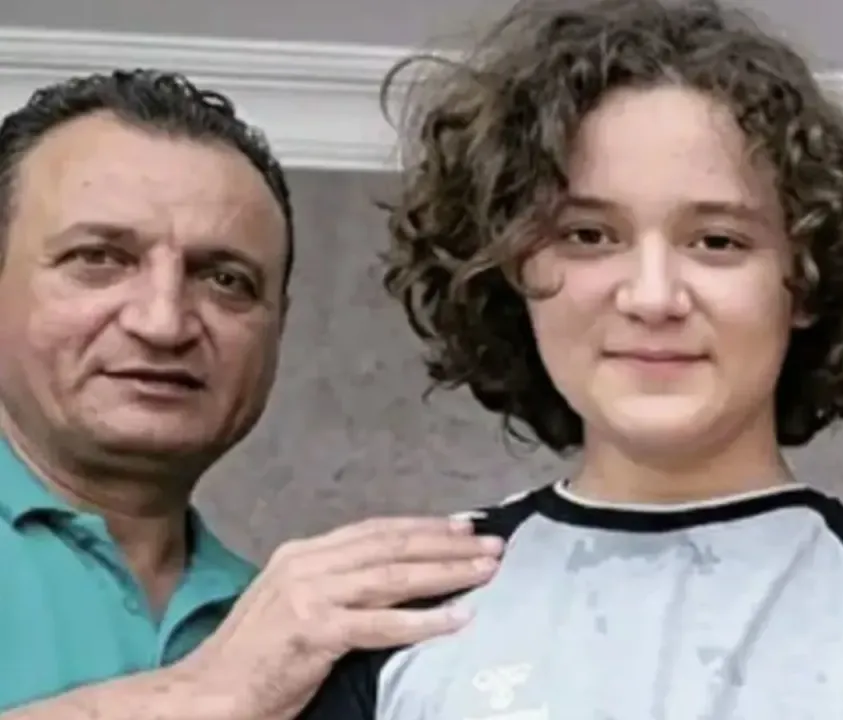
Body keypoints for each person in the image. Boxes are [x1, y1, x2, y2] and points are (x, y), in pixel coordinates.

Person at [296, 1, 843, 718]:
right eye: (589, 235)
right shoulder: (396, 610)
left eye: (717, 241)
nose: (652, 296)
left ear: (806, 280)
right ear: (511, 267)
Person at [0, 70, 502, 719]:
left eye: (225, 280)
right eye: (100, 258)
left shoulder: (286, 629)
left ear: (277, 328)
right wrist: (195, 696)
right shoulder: (252, 660)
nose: (164, 322)